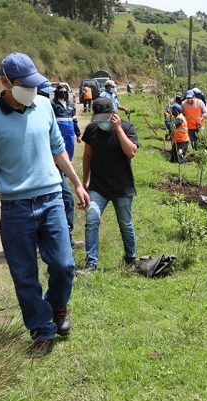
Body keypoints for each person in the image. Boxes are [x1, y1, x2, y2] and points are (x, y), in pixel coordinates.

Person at [0, 52, 90, 357]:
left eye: (35, 84)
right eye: (25, 85)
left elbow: (57, 149)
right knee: (24, 276)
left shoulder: (44, 107)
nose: (32, 90)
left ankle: (57, 307)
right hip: (15, 208)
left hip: (51, 199)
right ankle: (42, 329)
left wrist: (77, 183)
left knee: (64, 265)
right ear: (5, 82)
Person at [79, 97, 139, 273]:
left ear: (113, 113)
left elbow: (131, 152)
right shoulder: (92, 129)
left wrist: (118, 129)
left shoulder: (127, 128)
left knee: (125, 224)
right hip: (98, 187)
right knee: (91, 220)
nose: (102, 123)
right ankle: (91, 263)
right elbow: (88, 156)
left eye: (105, 118)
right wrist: (84, 182)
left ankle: (131, 260)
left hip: (122, 187)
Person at [49, 83, 83, 248]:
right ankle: (64, 237)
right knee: (66, 199)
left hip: (66, 148)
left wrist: (77, 134)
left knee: (65, 198)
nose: (63, 93)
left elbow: (74, 120)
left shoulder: (70, 106)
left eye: (65, 91)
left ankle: (65, 236)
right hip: (55, 154)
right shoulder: (52, 107)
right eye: (60, 91)